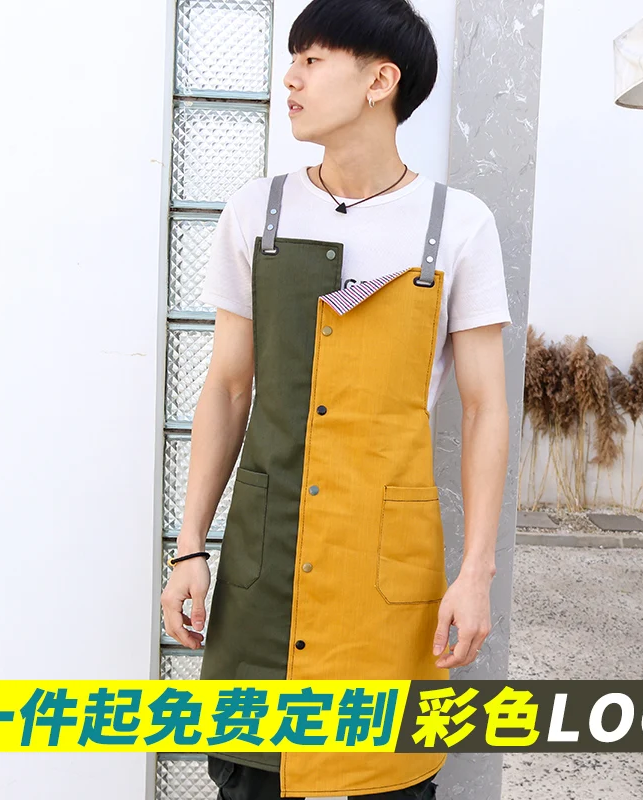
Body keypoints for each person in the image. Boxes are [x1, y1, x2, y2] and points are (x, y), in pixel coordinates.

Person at [160, 0, 512, 796]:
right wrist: (189, 548)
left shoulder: (457, 224)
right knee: (251, 774)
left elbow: (487, 408)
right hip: (268, 557)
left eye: (313, 60)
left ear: (379, 81)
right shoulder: (258, 212)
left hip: (388, 563)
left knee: (392, 774)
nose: (290, 78)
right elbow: (228, 388)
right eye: (294, 59)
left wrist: (476, 572)